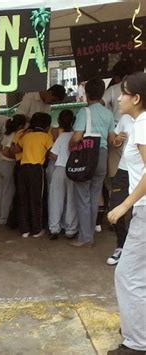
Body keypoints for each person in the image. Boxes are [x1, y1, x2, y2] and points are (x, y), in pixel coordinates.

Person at [107, 72, 146, 355]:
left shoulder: (143, 124)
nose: (118, 97)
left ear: (137, 98)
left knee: (127, 274)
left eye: (123, 92)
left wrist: (124, 205)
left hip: (145, 210)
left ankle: (136, 343)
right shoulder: (135, 124)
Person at [69, 78, 115, 247]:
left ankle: (85, 237)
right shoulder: (108, 114)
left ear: (87, 94)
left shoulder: (84, 112)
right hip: (102, 156)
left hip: (86, 157)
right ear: (102, 93)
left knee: (82, 198)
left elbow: (77, 137)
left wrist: (70, 146)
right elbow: (111, 139)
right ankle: (89, 236)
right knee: (95, 197)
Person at [13, 112, 53, 238]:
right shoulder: (46, 136)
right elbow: (52, 153)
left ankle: (24, 230)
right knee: (37, 200)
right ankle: (36, 229)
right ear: (46, 126)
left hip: (22, 169)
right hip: (36, 170)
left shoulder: (26, 136)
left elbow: (17, 149)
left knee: (23, 199)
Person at [106, 113, 134, 265]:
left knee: (139, 212)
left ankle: (135, 252)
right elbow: (115, 143)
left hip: (142, 173)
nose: (119, 98)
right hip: (124, 170)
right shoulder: (125, 118)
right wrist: (117, 141)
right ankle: (121, 246)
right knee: (115, 208)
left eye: (125, 94)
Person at [48, 110, 78, 239]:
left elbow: (53, 154)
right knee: (72, 199)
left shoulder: (61, 136)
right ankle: (70, 229)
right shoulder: (77, 136)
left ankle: (54, 228)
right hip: (74, 170)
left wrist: (61, 159)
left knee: (56, 199)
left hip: (60, 169)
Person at [0, 114, 26, 225]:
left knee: (2, 191)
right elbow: (6, 151)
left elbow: (1, 148)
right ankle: (5, 218)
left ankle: (0, 216)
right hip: (9, 164)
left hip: (2, 164)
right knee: (8, 192)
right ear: (20, 126)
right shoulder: (15, 135)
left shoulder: (7, 134)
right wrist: (19, 157)